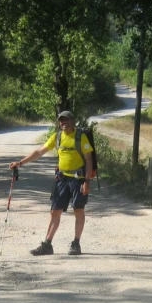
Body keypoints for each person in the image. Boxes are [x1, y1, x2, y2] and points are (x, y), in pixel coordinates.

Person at [9, 110, 94, 256]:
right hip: (62, 179)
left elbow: (89, 159)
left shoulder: (81, 137)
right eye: (61, 120)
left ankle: (76, 244)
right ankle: (47, 245)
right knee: (55, 211)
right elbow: (39, 152)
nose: (63, 123)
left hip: (78, 179)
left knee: (78, 210)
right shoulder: (57, 136)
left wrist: (87, 181)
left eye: (66, 120)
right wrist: (20, 163)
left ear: (72, 121)